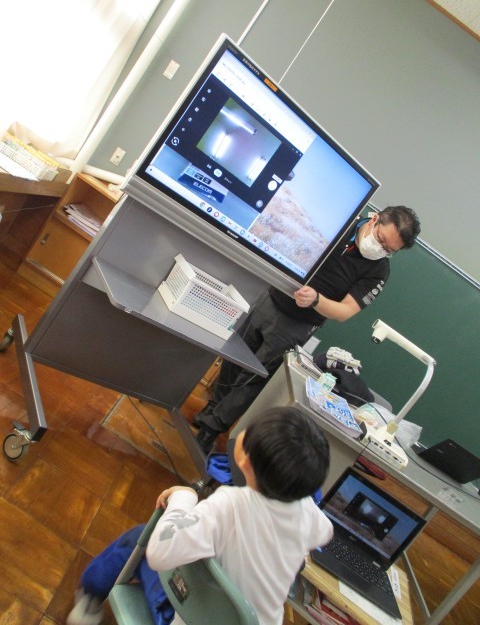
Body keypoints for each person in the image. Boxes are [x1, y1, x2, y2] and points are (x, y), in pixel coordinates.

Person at [66, 406, 333, 625]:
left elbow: (159, 553)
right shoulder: (310, 518)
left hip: (188, 614)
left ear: (245, 461)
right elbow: (325, 531)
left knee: (139, 537)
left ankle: (89, 596)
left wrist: (184, 498)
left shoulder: (229, 504)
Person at [195, 206, 421, 453]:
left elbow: (345, 311)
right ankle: (210, 410)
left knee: (253, 378)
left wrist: (316, 300)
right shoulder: (341, 222)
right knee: (234, 357)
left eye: (389, 250)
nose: (380, 249)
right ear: (375, 219)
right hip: (272, 295)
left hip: (299, 323)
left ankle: (212, 427)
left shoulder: (379, 271)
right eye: (381, 240)